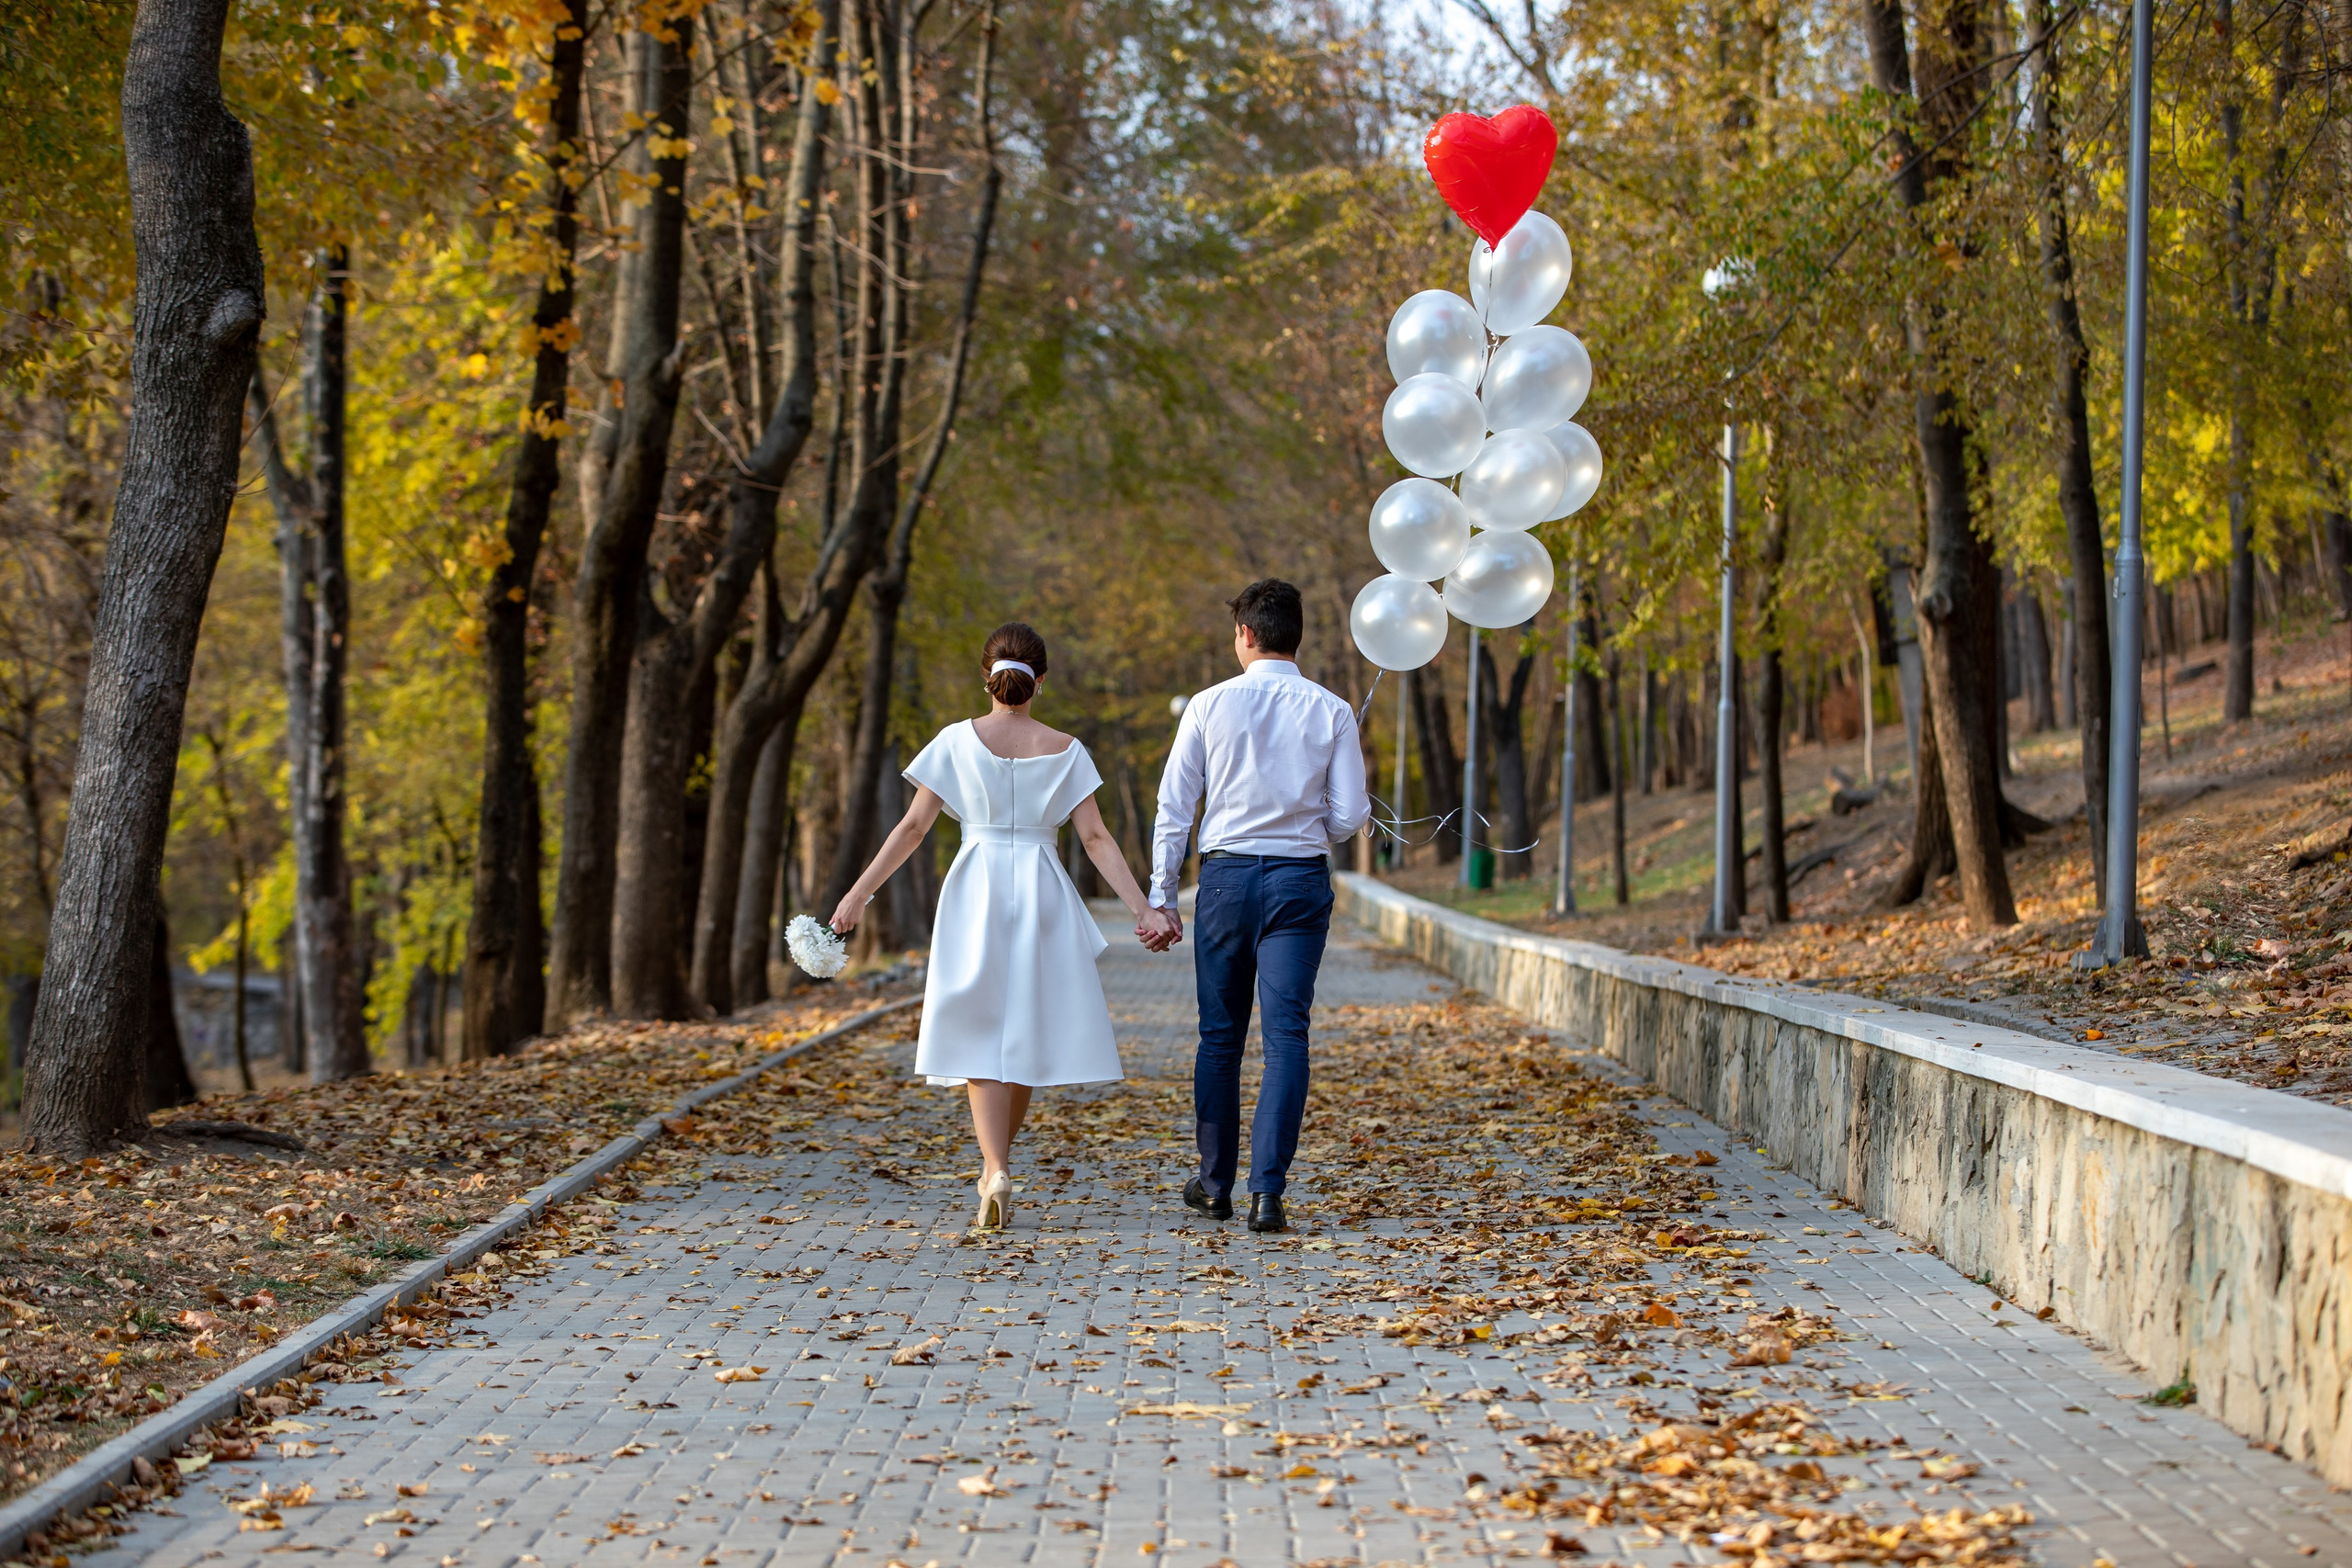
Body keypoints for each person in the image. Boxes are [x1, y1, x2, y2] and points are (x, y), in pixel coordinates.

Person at [831, 622, 1164, 1231]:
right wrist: (1142, 907)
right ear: (1042, 679)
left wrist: (858, 893)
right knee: (1026, 1031)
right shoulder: (1066, 748)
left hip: (977, 887)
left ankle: (996, 1167)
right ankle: (997, 1164)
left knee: (981, 1029)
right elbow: (1094, 837)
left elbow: (912, 829)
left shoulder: (955, 742)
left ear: (985, 675)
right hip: (1041, 890)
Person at [1145, 580, 1369, 1233]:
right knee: (1287, 1035)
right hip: (1299, 882)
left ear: (1244, 633)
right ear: (1297, 635)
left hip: (1226, 883)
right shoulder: (1332, 709)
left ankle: (1215, 1184)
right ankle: (1268, 1191)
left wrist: (1163, 896)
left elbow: (1174, 806)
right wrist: (1306, 829)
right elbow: (1352, 813)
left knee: (1220, 1036)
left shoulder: (1208, 706)